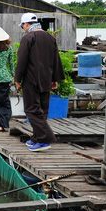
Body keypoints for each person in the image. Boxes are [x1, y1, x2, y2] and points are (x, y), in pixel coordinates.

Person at [15, 13, 64, 151]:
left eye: (23, 26)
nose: (23, 28)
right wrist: (54, 79)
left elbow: (22, 61)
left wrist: (17, 79)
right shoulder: (50, 37)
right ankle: (37, 138)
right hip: (46, 78)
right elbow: (56, 59)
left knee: (31, 109)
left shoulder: (28, 38)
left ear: (26, 24)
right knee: (42, 109)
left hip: (31, 79)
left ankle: (45, 138)